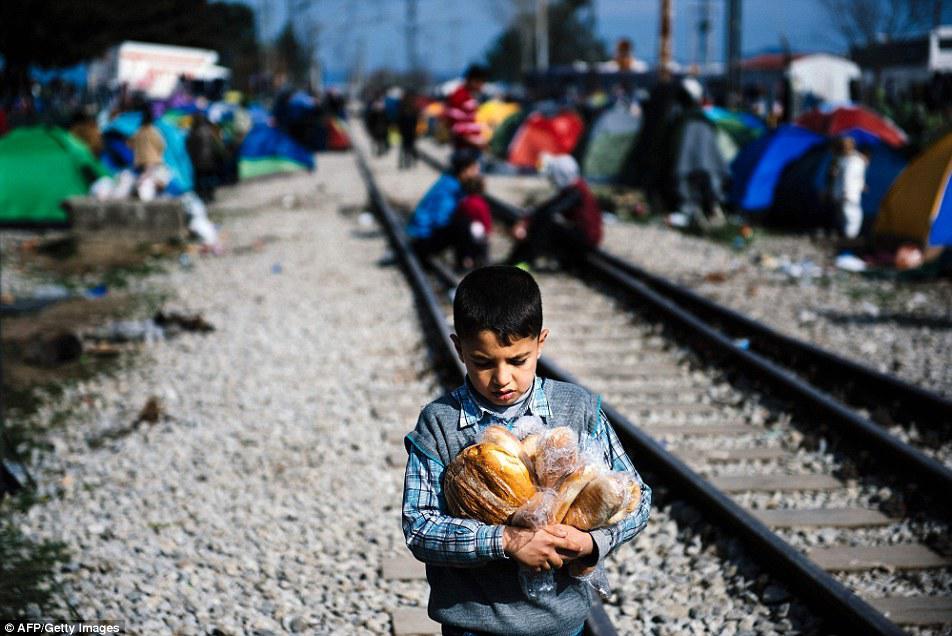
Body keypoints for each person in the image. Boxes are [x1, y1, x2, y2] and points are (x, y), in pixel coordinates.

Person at [402, 265, 651, 636]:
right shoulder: (440, 422)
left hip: (562, 624)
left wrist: (591, 542)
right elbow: (420, 526)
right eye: (483, 362)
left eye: (518, 360)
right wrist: (506, 540)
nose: (502, 378)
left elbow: (636, 497)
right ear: (459, 349)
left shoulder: (577, 409)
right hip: (475, 626)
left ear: (541, 342)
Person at [507, 155, 602, 268]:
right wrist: (526, 221)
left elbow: (549, 211)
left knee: (545, 224)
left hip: (586, 240)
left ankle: (523, 259)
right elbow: (547, 207)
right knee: (545, 222)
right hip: (583, 235)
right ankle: (519, 259)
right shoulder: (576, 188)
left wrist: (527, 224)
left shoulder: (576, 192)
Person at [407, 148, 481, 267]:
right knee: (463, 224)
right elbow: (439, 219)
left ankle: (466, 260)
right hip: (424, 240)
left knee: (463, 223)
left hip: (422, 237)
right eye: (473, 169)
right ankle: (464, 262)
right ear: (464, 171)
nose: (477, 173)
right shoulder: (451, 188)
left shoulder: (448, 181)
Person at [830, 136, 869, 239]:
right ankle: (849, 237)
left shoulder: (850, 160)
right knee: (850, 215)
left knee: (848, 214)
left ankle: (848, 236)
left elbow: (850, 177)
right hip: (847, 193)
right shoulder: (848, 160)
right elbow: (849, 177)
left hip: (845, 192)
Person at [128, 107, 169, 201]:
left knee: (144, 178)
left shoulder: (138, 132)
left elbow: (130, 144)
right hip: (153, 161)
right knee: (152, 179)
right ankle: (150, 196)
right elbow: (162, 145)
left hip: (140, 161)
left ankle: (142, 193)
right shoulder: (154, 131)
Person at [445, 65, 488, 149]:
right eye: (481, 82)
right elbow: (456, 127)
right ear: (473, 81)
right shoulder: (459, 97)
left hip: (470, 146)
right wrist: (475, 142)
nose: (482, 86)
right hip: (464, 148)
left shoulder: (468, 97)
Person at [186, 112, 226, 202]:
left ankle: (204, 196)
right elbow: (217, 146)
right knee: (210, 178)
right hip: (211, 160)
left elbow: (190, 148)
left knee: (201, 179)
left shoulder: (192, 133)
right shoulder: (210, 131)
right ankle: (210, 195)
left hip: (198, 162)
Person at [455, 175, 492, 269]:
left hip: (464, 233)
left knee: (466, 250)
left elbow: (458, 215)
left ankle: (466, 261)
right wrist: (488, 232)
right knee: (481, 252)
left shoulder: (464, 202)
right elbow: (486, 220)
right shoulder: (481, 204)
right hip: (478, 235)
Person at [397, 92, 420, 169]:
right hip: (410, 131)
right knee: (410, 146)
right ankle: (411, 160)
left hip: (405, 130)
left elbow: (399, 120)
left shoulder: (402, 108)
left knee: (405, 147)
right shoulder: (413, 108)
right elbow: (416, 120)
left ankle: (405, 161)